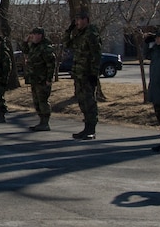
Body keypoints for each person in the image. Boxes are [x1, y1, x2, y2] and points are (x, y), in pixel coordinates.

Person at [63, 11, 102, 140]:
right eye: (75, 20)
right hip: (79, 74)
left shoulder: (91, 34)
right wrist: (68, 31)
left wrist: (94, 74)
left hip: (87, 74)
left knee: (89, 102)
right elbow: (67, 45)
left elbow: (96, 55)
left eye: (78, 20)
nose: (76, 23)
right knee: (82, 102)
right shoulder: (80, 34)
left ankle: (91, 129)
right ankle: (86, 128)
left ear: (86, 20)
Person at [24, 27, 56, 131]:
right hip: (34, 79)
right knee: (36, 101)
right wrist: (25, 41)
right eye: (31, 34)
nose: (32, 36)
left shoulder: (45, 48)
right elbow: (25, 51)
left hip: (42, 79)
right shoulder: (34, 47)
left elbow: (51, 64)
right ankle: (41, 121)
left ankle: (45, 123)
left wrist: (49, 79)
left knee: (43, 101)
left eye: (34, 34)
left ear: (40, 35)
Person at [145, 28, 160, 152]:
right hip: (157, 91)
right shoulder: (157, 50)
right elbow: (146, 55)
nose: (157, 39)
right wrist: (147, 43)